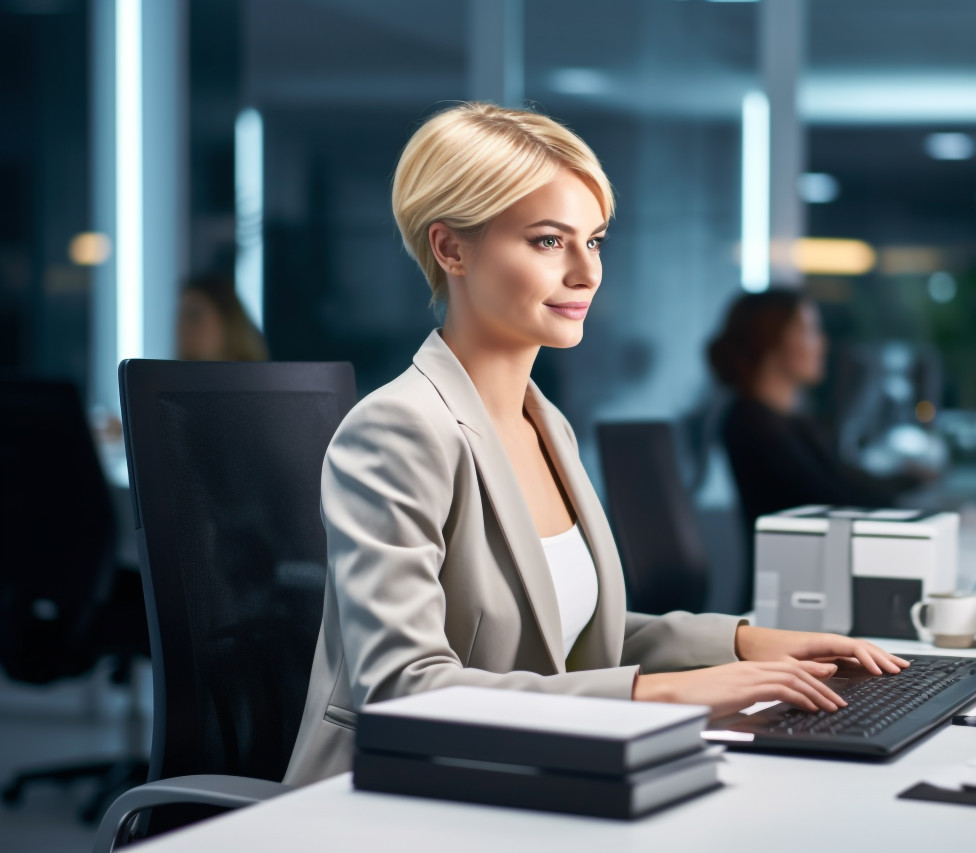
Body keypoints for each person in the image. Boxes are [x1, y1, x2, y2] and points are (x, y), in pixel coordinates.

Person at [284, 104, 907, 784]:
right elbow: (404, 688)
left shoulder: (546, 424)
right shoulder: (399, 431)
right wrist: (660, 692)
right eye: (550, 241)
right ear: (451, 248)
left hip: (522, 774)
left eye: (596, 240)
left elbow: (576, 636)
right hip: (392, 795)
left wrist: (746, 641)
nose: (586, 272)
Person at [708, 292, 921, 610]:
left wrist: (907, 484)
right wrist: (910, 493)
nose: (821, 343)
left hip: (811, 590)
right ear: (772, 341)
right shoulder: (753, 423)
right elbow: (833, 496)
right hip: (787, 601)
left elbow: (844, 479)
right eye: (809, 330)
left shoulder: (792, 421)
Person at [176, 272, 268, 362]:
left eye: (194, 316)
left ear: (228, 318)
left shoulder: (261, 376)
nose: (183, 328)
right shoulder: (174, 376)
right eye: (181, 318)